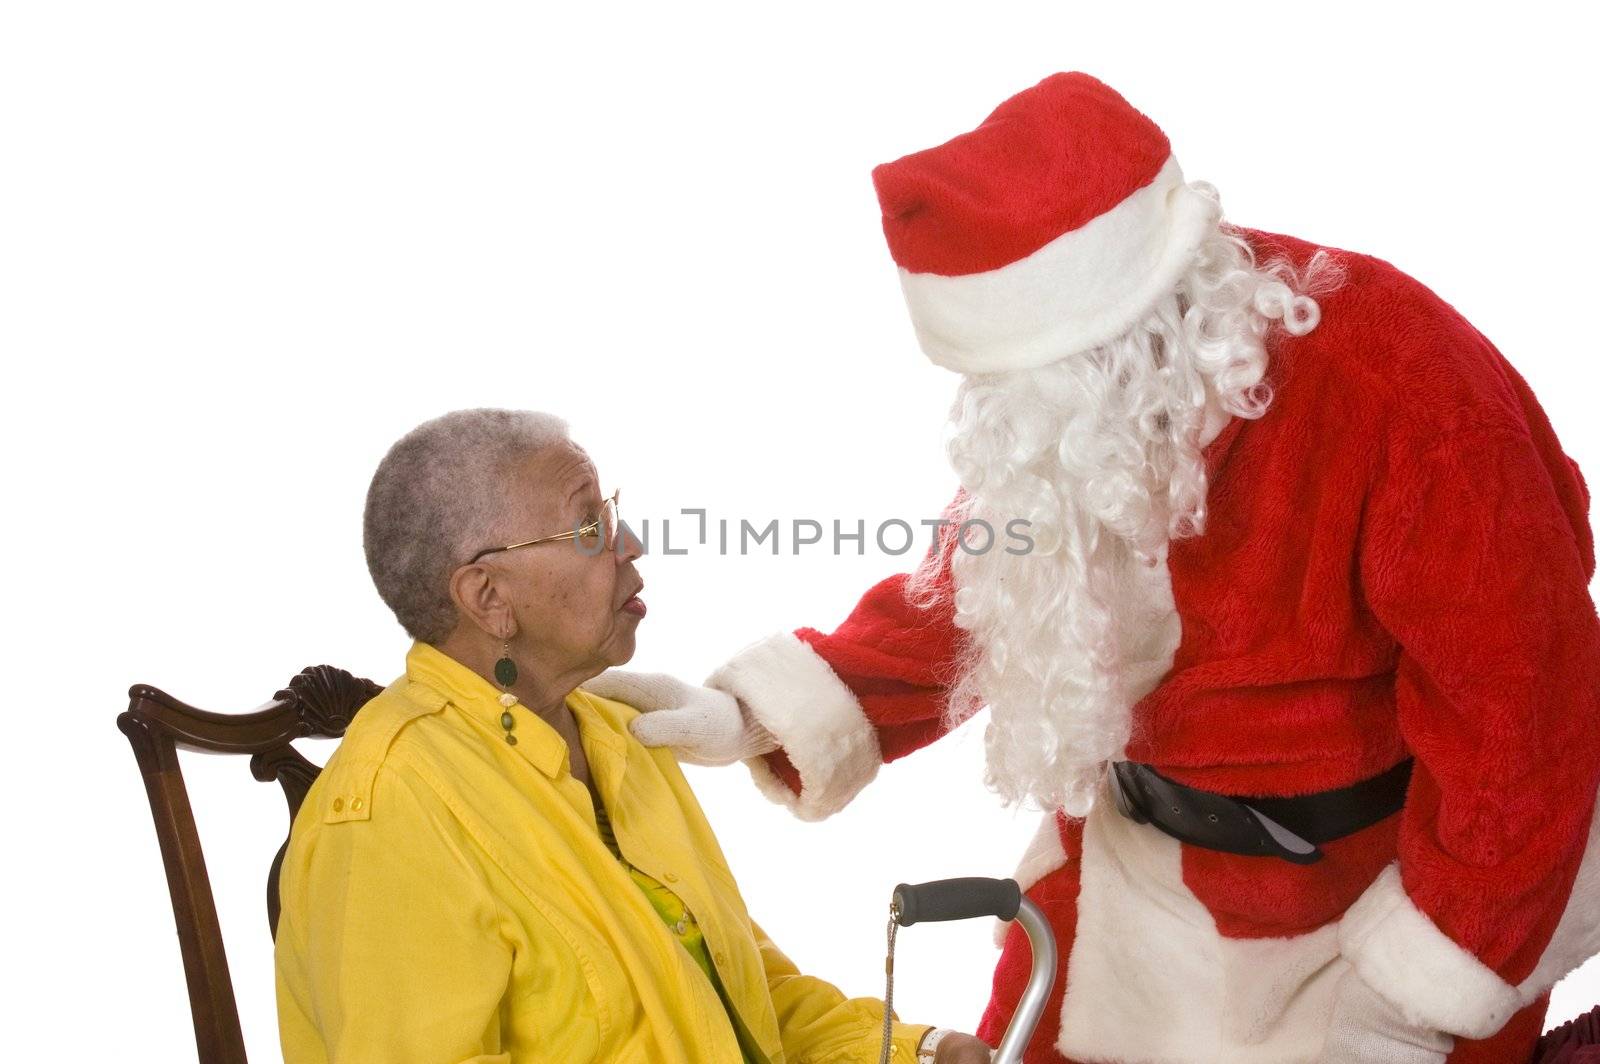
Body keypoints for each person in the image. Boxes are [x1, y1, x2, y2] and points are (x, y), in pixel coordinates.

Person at [587, 74, 1600, 1063]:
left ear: (1145, 307)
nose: (1033, 411)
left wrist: (1421, 983)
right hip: (1133, 892)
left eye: (1052, 379)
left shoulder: (1396, 379)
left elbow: (1522, 711)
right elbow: (990, 585)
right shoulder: (1075, 416)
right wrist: (765, 712)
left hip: (1378, 901)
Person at [272, 409, 991, 1063]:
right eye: (589, 529)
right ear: (488, 597)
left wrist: (917, 1053)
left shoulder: (618, 733)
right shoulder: (390, 811)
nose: (631, 545)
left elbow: (753, 1004)